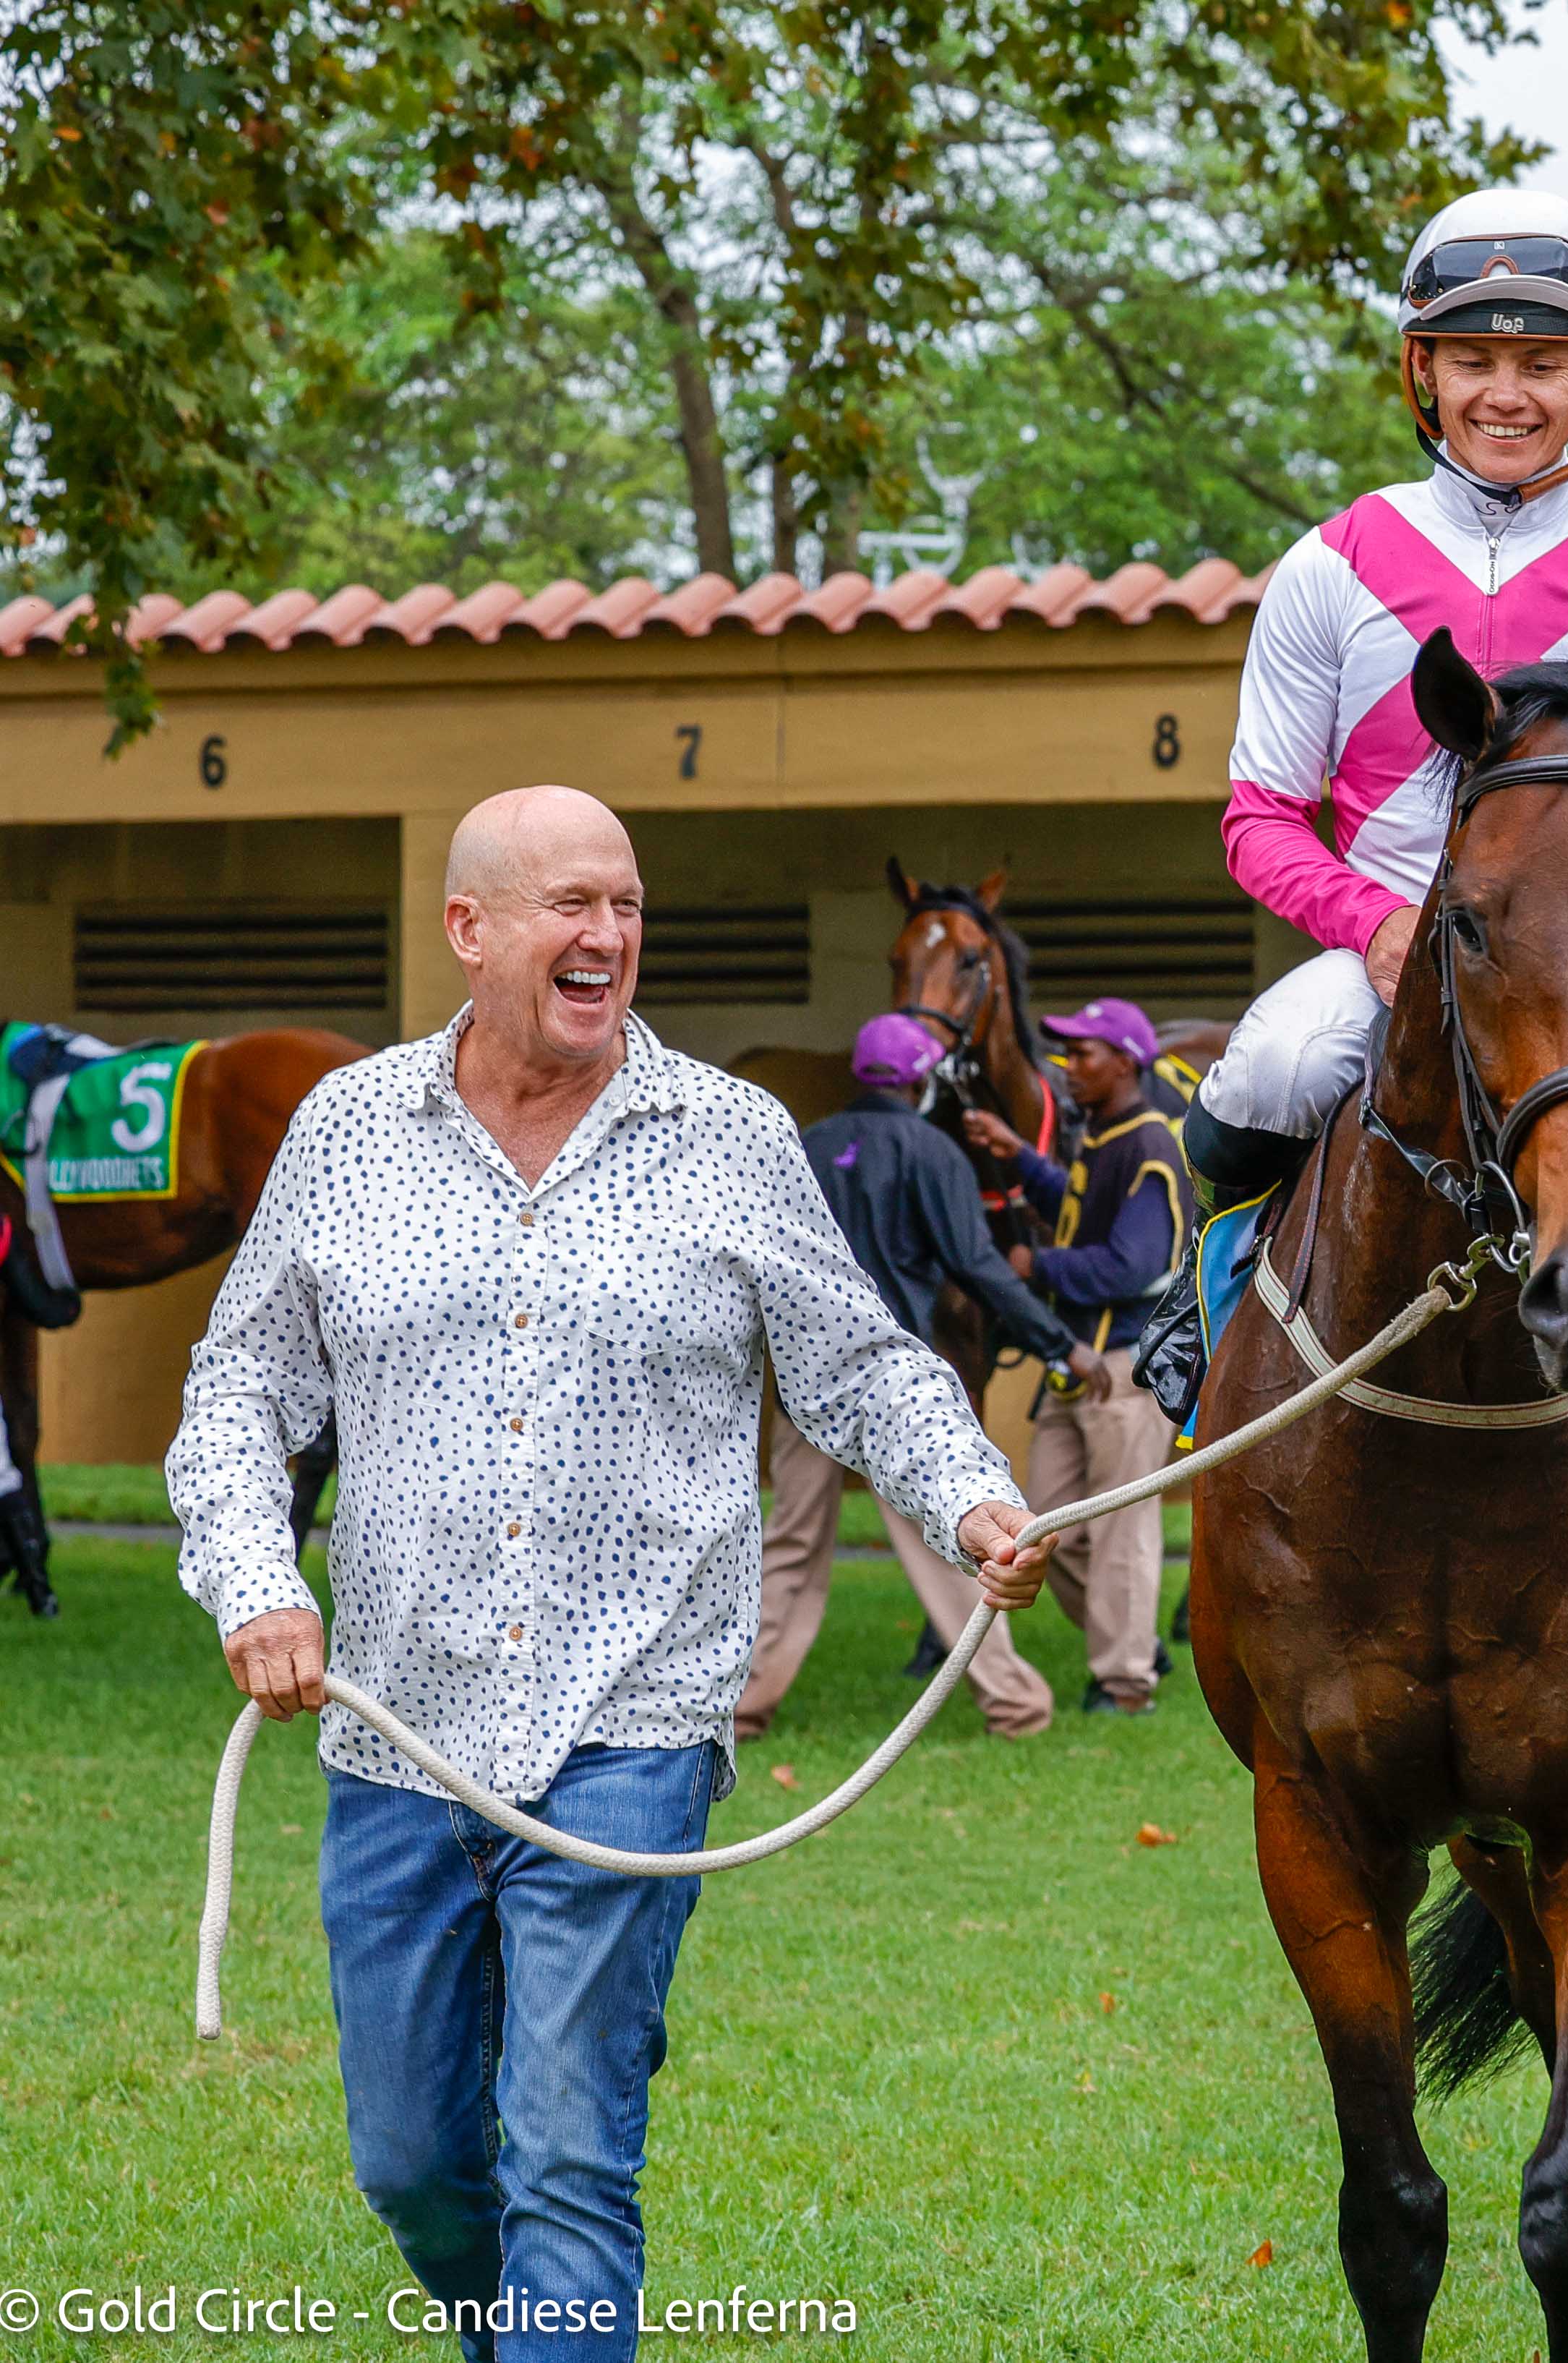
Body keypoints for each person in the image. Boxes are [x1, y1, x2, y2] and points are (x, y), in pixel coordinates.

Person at [170, 786, 1055, 2363]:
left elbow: (859, 1364)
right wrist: (256, 1579)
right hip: (397, 1729)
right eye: (571, 903)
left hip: (631, 1723)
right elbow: (241, 1385)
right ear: (470, 929)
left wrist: (973, 1495)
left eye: (627, 904)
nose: (609, 934)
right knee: (413, 2162)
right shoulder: (346, 1129)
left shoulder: (730, 1137)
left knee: (571, 2158)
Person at [1181, 187, 1568, 1221]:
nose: (1505, 396)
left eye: (1542, 365)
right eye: (1473, 360)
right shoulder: (1329, 565)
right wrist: (1376, 923)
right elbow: (1261, 821)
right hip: (1390, 962)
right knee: (1262, 1083)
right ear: (1424, 370)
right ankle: (1200, 1309)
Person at [737, 1013, 1089, 1743]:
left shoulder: (807, 1143)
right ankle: (1014, 1703)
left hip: (805, 1386)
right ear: (923, 1079)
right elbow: (977, 1264)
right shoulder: (932, 1148)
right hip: (898, 1398)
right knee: (952, 1541)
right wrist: (1058, 1343)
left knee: (791, 1544)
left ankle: (743, 1707)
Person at [966, 996, 1189, 1713]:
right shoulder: (1103, 1136)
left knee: (1123, 1531)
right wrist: (1023, 1158)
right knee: (1044, 1531)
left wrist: (1037, 1266)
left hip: (1124, 1369)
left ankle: (1124, 1684)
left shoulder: (1151, 1144)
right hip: (1075, 1370)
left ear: (1125, 1062)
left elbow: (1134, 1264)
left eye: (1084, 1052)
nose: (1067, 1065)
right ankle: (1133, 1637)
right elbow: (1081, 1206)